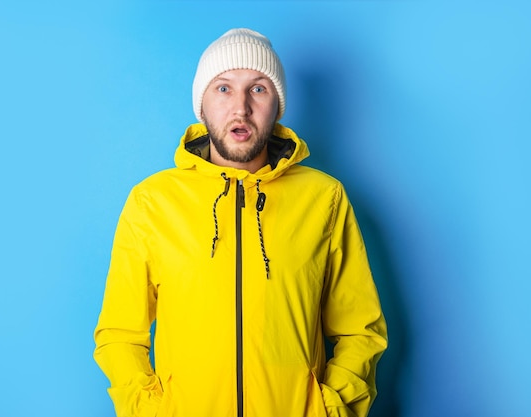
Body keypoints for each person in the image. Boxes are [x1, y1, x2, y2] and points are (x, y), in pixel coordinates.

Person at [93, 28, 388, 417]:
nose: (241, 108)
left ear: (277, 104)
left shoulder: (324, 198)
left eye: (258, 89)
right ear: (202, 105)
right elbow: (119, 335)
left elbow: (360, 330)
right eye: (223, 88)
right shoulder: (152, 202)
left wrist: (330, 410)